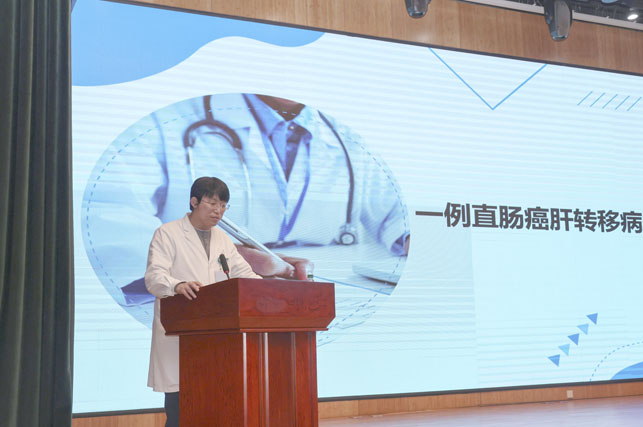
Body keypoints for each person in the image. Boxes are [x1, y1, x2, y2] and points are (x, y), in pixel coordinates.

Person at [81, 92, 409, 326]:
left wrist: (408, 236)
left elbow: (397, 212)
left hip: (303, 307)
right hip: (199, 311)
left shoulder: (348, 135)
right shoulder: (165, 121)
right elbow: (107, 220)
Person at [145, 177, 261, 427]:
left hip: (216, 338)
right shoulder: (168, 233)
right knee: (180, 412)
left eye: (223, 205)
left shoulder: (222, 239)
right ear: (194, 202)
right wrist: (177, 285)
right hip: (181, 334)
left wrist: (270, 291)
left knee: (213, 409)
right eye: (212, 203)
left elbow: (245, 275)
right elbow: (154, 277)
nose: (218, 211)